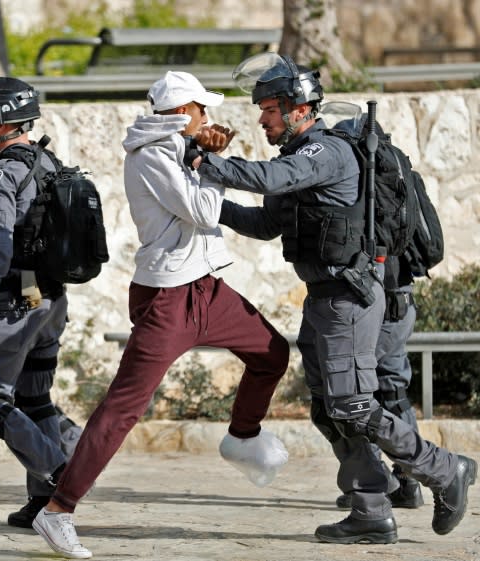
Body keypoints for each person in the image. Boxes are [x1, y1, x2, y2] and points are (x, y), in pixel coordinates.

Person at [194, 52, 476, 543]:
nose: (261, 118)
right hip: (323, 300)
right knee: (329, 407)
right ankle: (370, 507)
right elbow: (266, 223)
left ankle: (444, 469)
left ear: (299, 108)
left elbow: (266, 179)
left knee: (354, 405)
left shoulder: (323, 153)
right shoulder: (293, 160)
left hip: (348, 298)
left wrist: (203, 160)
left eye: (269, 109)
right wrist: (205, 205)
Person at [32, 70, 291, 559]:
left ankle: (241, 437)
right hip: (169, 296)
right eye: (202, 110)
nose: (209, 118)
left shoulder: (178, 148)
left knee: (272, 352)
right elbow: (200, 209)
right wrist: (211, 160)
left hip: (207, 288)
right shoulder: (151, 155)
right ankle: (58, 510)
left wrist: (204, 157)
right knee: (124, 406)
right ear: (181, 113)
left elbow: (201, 195)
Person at [0, 76, 83, 529]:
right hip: (46, 293)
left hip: (16, 295)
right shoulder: (47, 161)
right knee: (35, 396)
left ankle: (60, 473)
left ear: (0, 120)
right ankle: (43, 500)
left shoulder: (1, 173)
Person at [336, 252, 424, 510]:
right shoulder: (400, 209)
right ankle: (408, 484)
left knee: (354, 394)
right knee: (393, 392)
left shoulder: (369, 209)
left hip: (379, 305)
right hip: (401, 301)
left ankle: (371, 484)